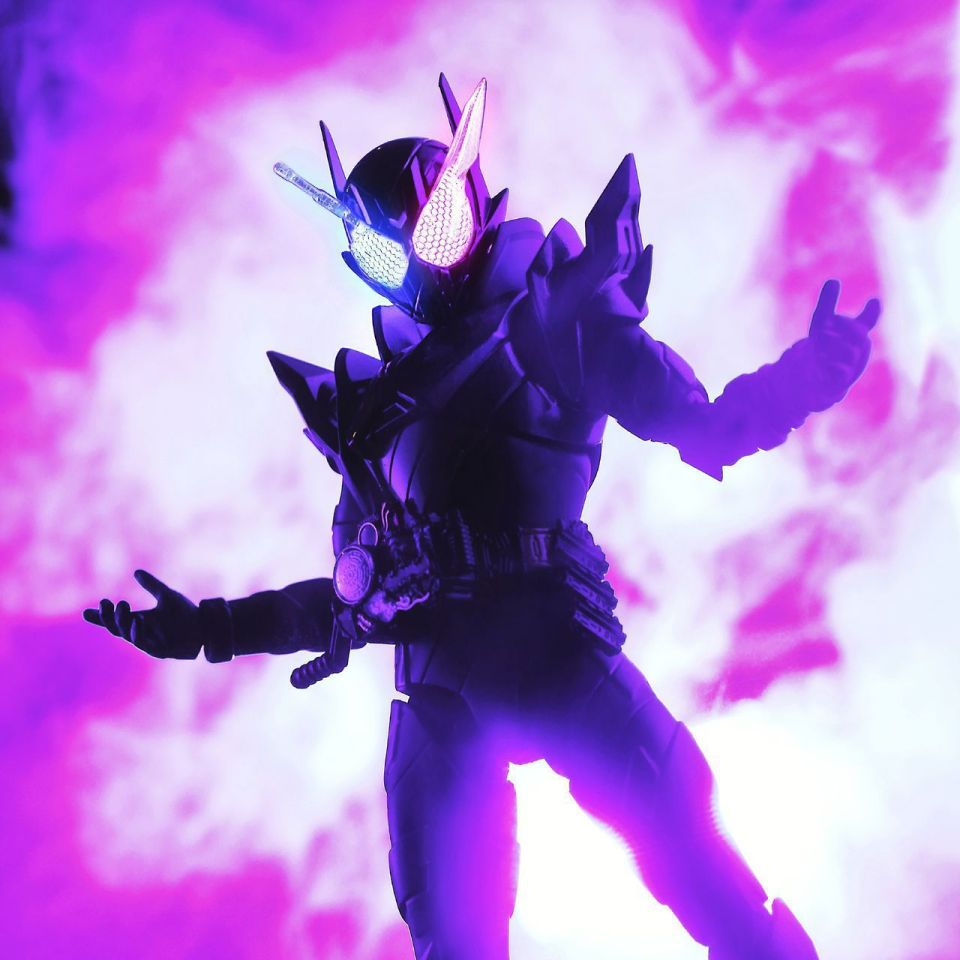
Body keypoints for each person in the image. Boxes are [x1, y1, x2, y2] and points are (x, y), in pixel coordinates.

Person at [85, 75, 879, 960]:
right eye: (389, 252)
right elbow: (351, 600)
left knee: (693, 857)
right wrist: (211, 628)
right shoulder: (372, 414)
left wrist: (809, 376)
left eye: (434, 231)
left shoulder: (558, 313)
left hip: (557, 653)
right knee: (450, 932)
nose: (421, 264)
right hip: (442, 687)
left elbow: (705, 426)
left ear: (466, 207)